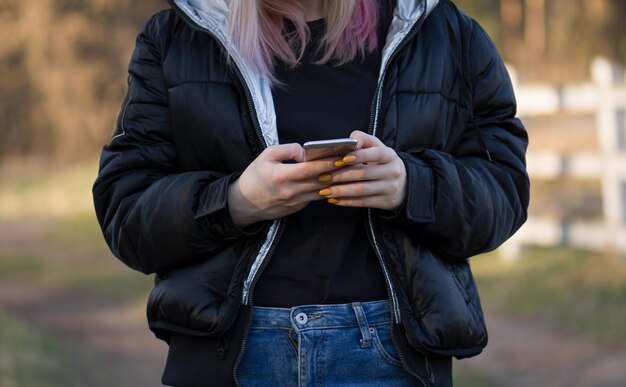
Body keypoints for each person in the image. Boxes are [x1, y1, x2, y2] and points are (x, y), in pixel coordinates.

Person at [93, 0, 529, 385]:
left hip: (390, 356)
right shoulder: (177, 37)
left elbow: (504, 190)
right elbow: (125, 210)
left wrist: (411, 186)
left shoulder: (443, 33)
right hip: (231, 355)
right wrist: (235, 202)